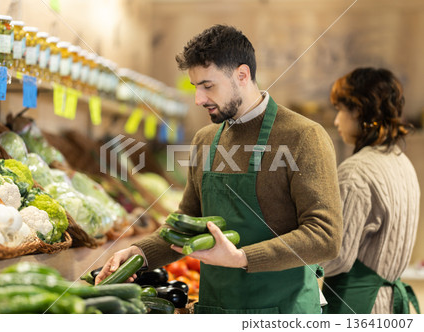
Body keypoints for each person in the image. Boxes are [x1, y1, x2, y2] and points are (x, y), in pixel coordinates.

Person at [96, 24, 343, 314]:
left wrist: (241, 257)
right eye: (196, 87)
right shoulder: (205, 139)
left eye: (208, 86)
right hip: (215, 309)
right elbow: (184, 224)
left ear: (242, 75)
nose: (199, 99)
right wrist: (140, 253)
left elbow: (325, 237)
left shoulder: (303, 137)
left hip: (282, 311)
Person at [320, 67, 421, 314]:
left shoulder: (356, 171)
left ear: (358, 110)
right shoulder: (402, 162)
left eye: (340, 110)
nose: (336, 120)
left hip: (357, 307)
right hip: (390, 307)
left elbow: (337, 257)